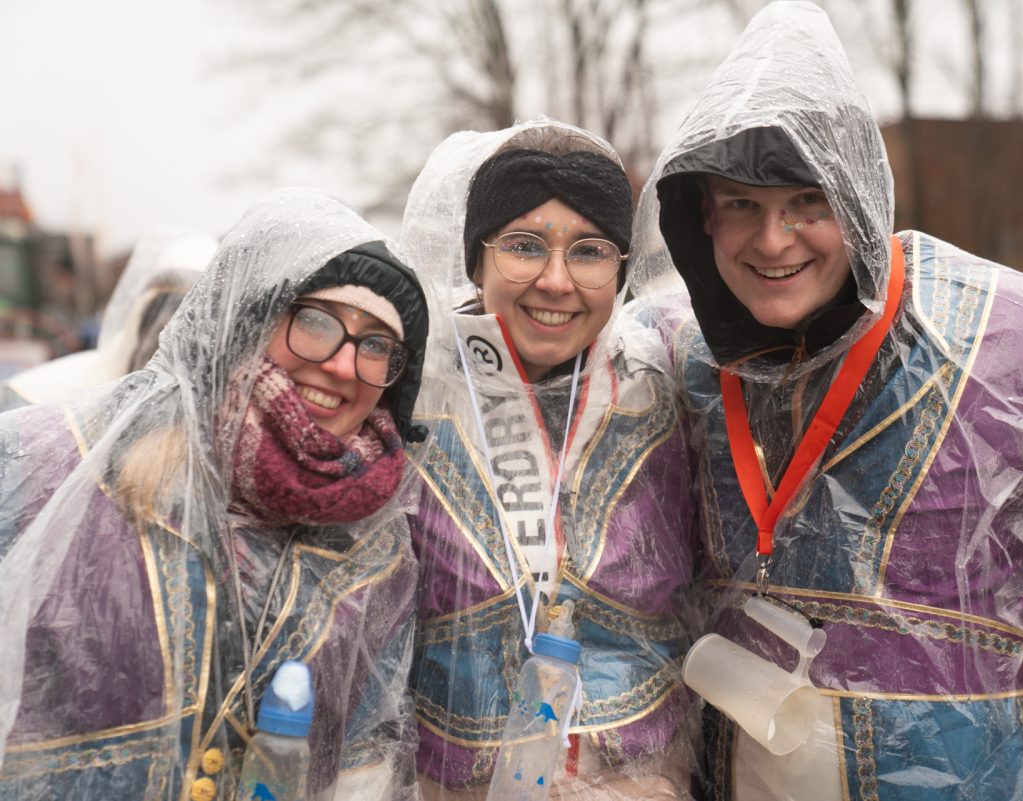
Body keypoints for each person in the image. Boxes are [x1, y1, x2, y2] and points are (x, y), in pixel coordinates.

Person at [629, 3, 1023, 799]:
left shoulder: (1019, 358)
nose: (773, 240)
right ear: (702, 218)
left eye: (807, 203)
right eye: (741, 207)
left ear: (859, 202)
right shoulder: (680, 361)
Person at [0, 188, 429, 800]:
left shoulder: (379, 545)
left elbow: (364, 762)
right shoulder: (48, 464)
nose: (341, 365)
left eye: (377, 345)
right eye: (313, 321)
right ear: (243, 320)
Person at [398, 120, 699, 799]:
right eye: (524, 246)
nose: (556, 280)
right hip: (453, 781)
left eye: (589, 251)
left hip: (640, 779)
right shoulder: (403, 394)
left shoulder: (671, 387)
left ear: (621, 270)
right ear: (475, 258)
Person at [0, 226, 215, 412]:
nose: (170, 329)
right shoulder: (45, 393)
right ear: (140, 314)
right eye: (164, 308)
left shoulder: (203, 408)